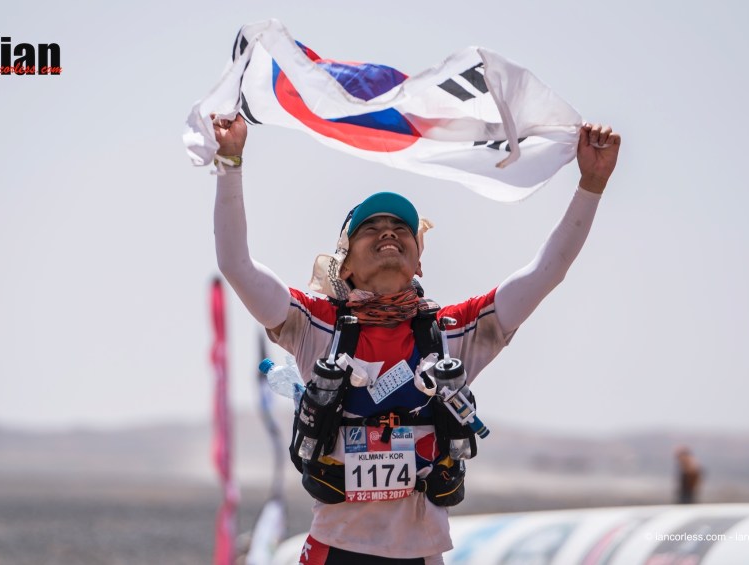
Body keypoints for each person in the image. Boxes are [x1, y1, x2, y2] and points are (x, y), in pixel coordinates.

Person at [212, 114, 620, 565]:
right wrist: (230, 161)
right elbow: (236, 265)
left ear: (418, 262)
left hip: (424, 555)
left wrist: (591, 185)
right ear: (345, 266)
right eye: (371, 228)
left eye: (401, 228)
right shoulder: (315, 325)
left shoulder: (453, 330)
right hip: (332, 550)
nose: (388, 232)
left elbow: (546, 272)